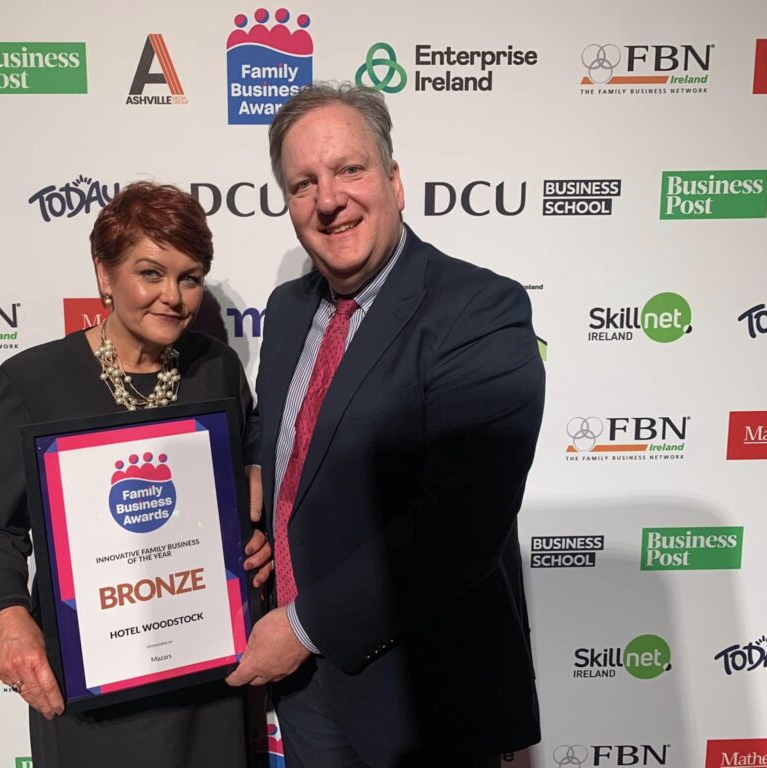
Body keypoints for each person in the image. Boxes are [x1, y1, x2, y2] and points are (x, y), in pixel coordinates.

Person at [225, 83, 545, 768]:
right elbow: (278, 423)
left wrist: (303, 629)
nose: (328, 199)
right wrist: (257, 469)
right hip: (307, 693)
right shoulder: (287, 310)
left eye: (350, 169)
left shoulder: (480, 310)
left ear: (394, 181)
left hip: (422, 696)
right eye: (303, 183)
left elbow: (460, 526)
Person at [0, 181, 273, 768]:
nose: (173, 297)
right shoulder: (33, 381)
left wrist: (258, 531)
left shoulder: (218, 368)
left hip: (206, 673)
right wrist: (6, 615)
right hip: (93, 683)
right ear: (104, 273)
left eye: (189, 277)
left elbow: (247, 470)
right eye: (150, 273)